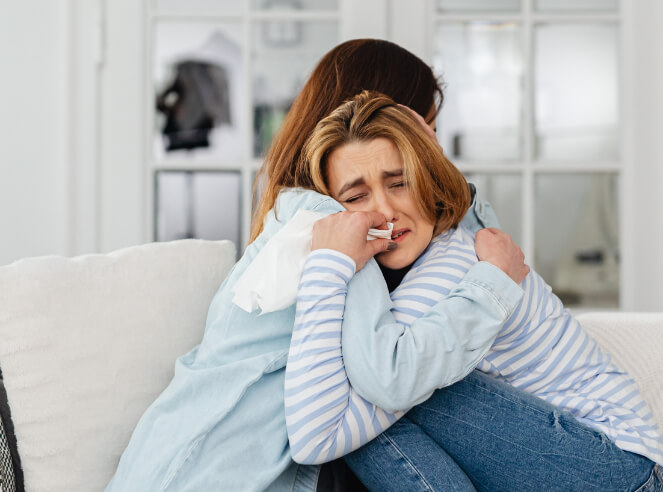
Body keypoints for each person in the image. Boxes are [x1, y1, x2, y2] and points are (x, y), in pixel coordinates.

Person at [106, 39, 527, 492]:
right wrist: (493, 287)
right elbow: (391, 376)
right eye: (429, 130)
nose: (435, 147)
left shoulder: (307, 210)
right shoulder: (338, 227)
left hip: (174, 458)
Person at [283, 91, 663, 491]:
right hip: (579, 470)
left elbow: (316, 437)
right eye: (356, 197)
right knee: (387, 384)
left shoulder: (453, 263)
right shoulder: (406, 278)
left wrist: (328, 265)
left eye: (400, 183)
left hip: (618, 471)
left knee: (387, 386)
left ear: (430, 181)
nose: (384, 210)